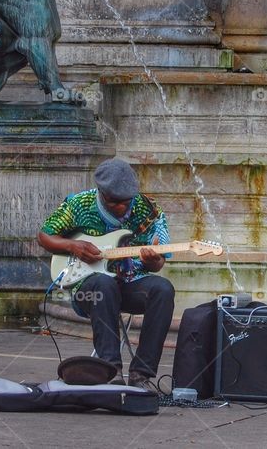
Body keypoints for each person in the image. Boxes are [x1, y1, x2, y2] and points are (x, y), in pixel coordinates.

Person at [37, 158, 175, 392]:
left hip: (130, 284)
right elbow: (44, 236)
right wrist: (74, 247)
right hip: (88, 289)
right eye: (113, 202)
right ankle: (110, 372)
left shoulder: (149, 211)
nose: (121, 207)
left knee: (163, 289)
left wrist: (154, 262)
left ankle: (141, 373)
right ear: (100, 192)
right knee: (103, 285)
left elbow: (158, 264)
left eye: (126, 201)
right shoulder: (80, 204)